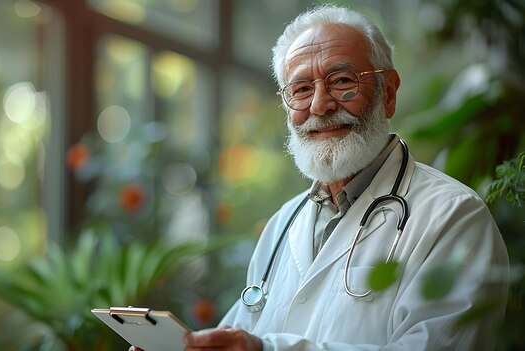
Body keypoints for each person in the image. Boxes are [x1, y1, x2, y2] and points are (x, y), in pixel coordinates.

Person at [131, 4, 509, 351]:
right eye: (301, 89)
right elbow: (237, 340)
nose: (320, 105)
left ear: (388, 92)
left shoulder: (453, 216)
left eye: (343, 80)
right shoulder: (284, 224)